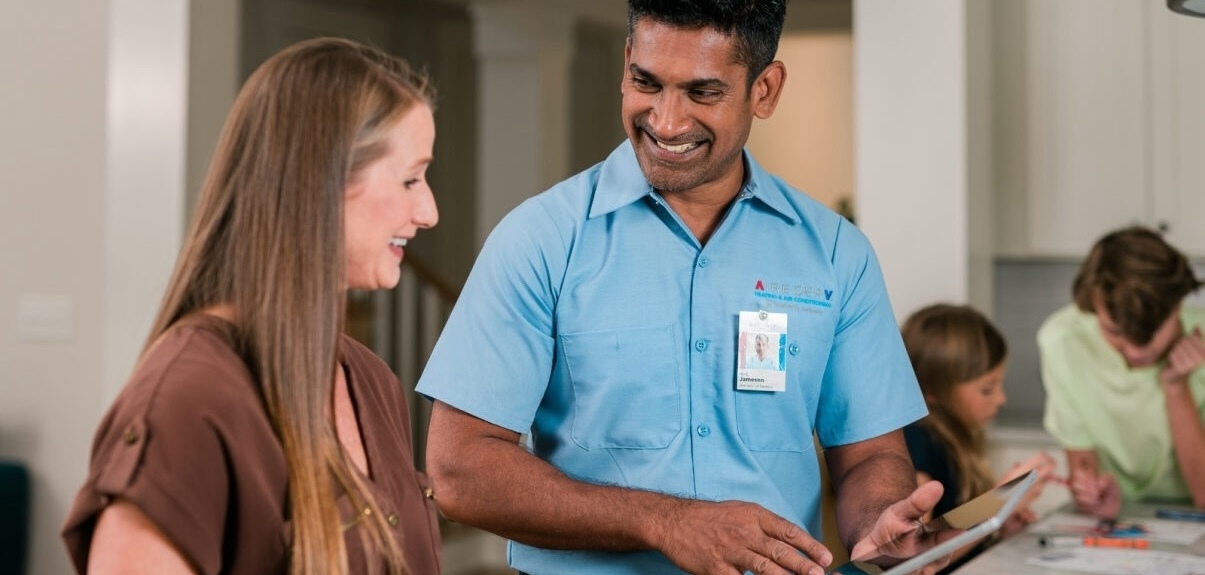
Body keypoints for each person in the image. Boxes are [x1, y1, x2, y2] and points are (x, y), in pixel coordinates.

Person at [417, 2, 949, 574]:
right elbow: (459, 470)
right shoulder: (540, 240)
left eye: (702, 92)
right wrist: (665, 521)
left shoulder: (837, 253)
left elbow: (870, 454)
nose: (666, 123)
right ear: (627, 63)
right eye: (647, 83)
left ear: (765, 90)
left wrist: (880, 524)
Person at [61, 37, 442, 574]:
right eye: (409, 179)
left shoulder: (373, 383)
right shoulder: (188, 401)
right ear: (319, 180)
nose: (428, 212)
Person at [1039, 225, 1205, 519]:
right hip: (1119, 519)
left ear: (1178, 306)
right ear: (1093, 305)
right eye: (1114, 332)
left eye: (1150, 335)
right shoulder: (1063, 341)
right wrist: (1093, 496)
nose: (1135, 353)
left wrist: (1176, 387)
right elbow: (1083, 474)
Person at [900, 303, 1055, 573]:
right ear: (933, 390)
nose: (1001, 399)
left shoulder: (952, 439)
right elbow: (916, 556)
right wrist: (998, 503)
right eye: (987, 389)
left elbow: (954, 537)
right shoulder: (918, 441)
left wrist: (997, 529)